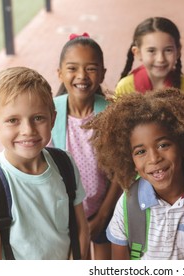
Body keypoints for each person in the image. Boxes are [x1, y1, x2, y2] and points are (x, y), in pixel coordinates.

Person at [83, 88, 184, 260]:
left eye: (163, 145)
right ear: (131, 161)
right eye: (140, 152)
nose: (154, 158)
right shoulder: (128, 204)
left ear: (183, 146)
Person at [0, 67, 89, 259]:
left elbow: (81, 229)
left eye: (38, 118)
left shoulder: (65, 164)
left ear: (52, 119)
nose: (28, 130)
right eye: (13, 120)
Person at [52, 33, 122, 260]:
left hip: (104, 210)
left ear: (102, 73)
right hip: (65, 215)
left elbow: (121, 169)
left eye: (91, 68)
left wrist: (103, 215)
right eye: (72, 68)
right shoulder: (50, 113)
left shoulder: (111, 113)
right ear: (60, 73)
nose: (81, 75)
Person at [115, 17, 184, 100]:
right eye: (151, 51)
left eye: (168, 50)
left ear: (178, 51)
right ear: (137, 53)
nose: (160, 59)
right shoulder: (125, 87)